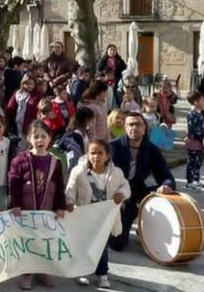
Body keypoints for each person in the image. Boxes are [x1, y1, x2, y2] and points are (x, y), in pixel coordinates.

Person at [9, 120, 67, 289]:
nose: (40, 140)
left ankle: (43, 270)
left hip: (46, 211)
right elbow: (14, 183)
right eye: (36, 136)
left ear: (50, 139)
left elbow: (59, 187)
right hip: (25, 211)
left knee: (44, 240)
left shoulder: (55, 162)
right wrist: (16, 204)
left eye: (44, 136)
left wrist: (60, 206)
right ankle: (26, 273)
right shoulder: (20, 160)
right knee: (27, 240)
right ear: (29, 138)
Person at [65, 139, 130, 289]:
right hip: (85, 217)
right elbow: (71, 188)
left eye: (100, 153)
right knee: (83, 245)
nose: (96, 156)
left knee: (101, 247)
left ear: (107, 155)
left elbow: (126, 187)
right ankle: (80, 271)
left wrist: (121, 193)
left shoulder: (116, 173)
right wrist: (69, 201)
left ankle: (102, 274)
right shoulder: (79, 171)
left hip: (104, 219)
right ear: (87, 155)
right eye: (92, 153)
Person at [108, 112, 176, 251]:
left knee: (163, 192)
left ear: (145, 128)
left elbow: (166, 176)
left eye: (138, 124)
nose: (134, 128)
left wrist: (166, 185)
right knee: (117, 244)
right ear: (125, 128)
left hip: (137, 193)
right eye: (130, 124)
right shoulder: (112, 147)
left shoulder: (152, 150)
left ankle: (147, 227)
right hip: (114, 196)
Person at [5, 73, 41, 138]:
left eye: (32, 84)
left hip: (32, 122)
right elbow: (10, 107)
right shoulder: (18, 93)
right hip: (19, 122)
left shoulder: (37, 95)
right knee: (21, 141)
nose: (30, 86)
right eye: (27, 84)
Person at [57, 107, 92, 172]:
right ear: (86, 120)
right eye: (90, 120)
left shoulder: (84, 133)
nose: (92, 123)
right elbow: (75, 157)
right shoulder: (75, 137)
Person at [185, 91, 204, 191]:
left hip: (199, 142)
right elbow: (193, 129)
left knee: (198, 162)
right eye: (203, 100)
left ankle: (196, 180)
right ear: (196, 102)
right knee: (193, 162)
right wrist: (203, 134)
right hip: (194, 141)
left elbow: (201, 127)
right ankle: (190, 181)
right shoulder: (191, 114)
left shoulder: (199, 113)